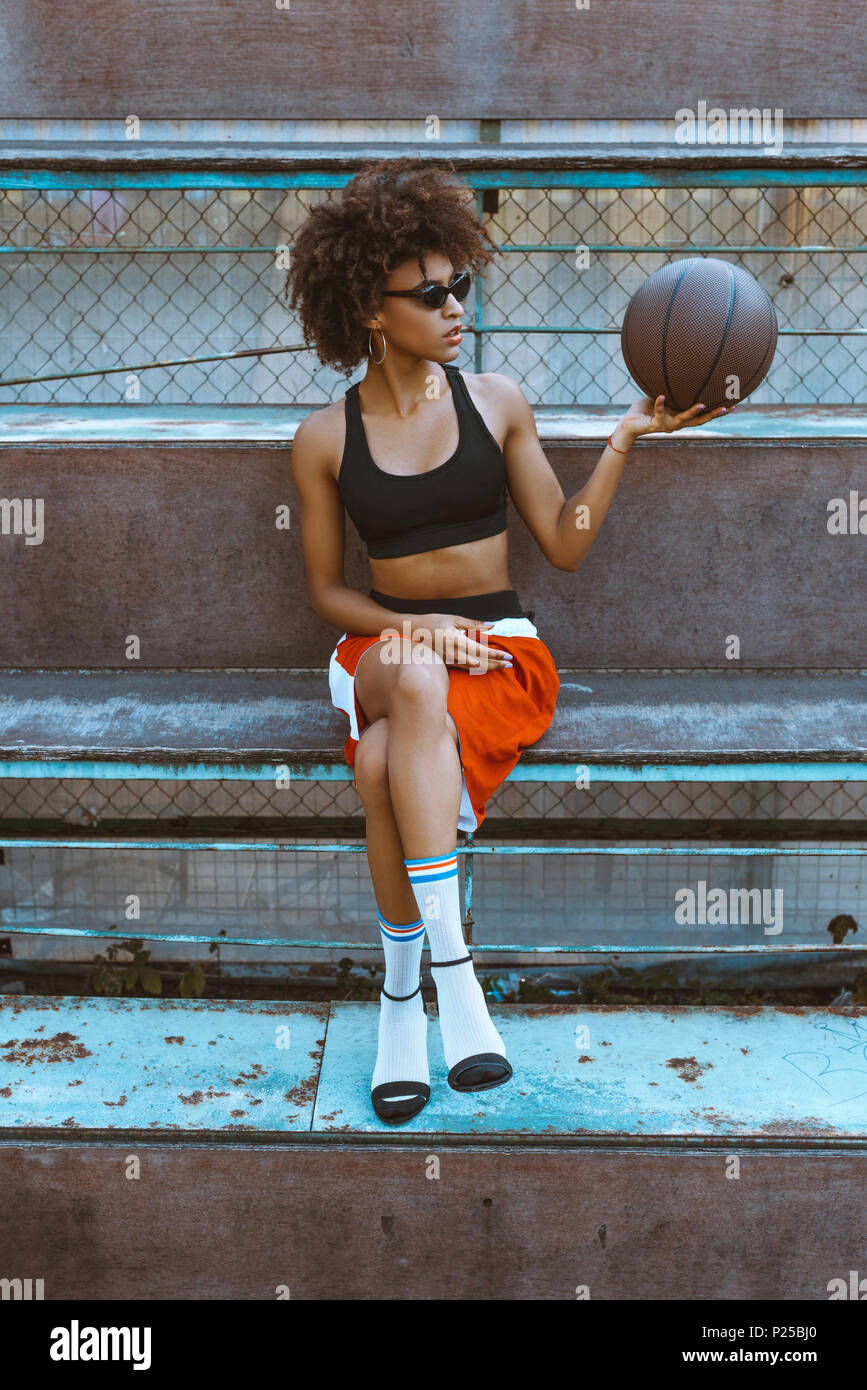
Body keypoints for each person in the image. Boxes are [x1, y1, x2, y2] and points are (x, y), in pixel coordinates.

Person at [287, 156, 733, 1124]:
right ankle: (460, 974)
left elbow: (563, 547)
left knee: (376, 770)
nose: (457, 310)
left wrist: (623, 438)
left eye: (463, 287)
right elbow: (328, 590)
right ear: (373, 308)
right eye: (432, 293)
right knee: (407, 676)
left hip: (499, 655)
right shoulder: (326, 438)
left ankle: (403, 1001)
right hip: (385, 650)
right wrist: (420, 628)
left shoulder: (497, 400)